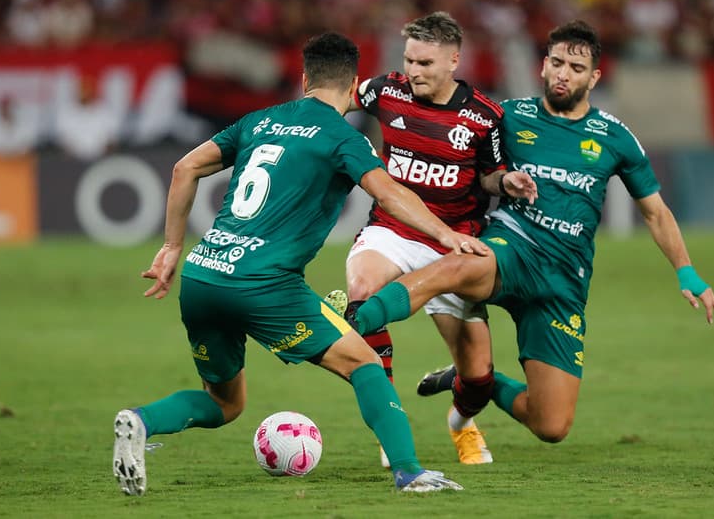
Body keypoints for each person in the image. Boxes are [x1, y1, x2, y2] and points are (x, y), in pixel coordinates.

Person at [111, 32, 489, 496]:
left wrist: (171, 247)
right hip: (265, 285)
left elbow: (184, 168)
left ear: (305, 78)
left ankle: (142, 421)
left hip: (203, 274)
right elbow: (389, 192)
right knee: (366, 364)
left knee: (225, 403)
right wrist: (446, 234)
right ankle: (409, 472)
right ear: (354, 88)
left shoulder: (259, 120)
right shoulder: (341, 138)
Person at [328, 20, 714, 448]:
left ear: (594, 77)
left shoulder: (615, 138)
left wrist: (687, 272)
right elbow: (477, 166)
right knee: (458, 264)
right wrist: (499, 181)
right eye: (555, 62)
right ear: (543, 67)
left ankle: (479, 382)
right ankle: (355, 316)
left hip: (563, 281)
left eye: (575, 66)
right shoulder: (509, 116)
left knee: (551, 425)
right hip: (511, 247)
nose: (562, 73)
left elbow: (656, 212)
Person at [340, 11, 508, 466]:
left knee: (479, 380)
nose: (413, 71)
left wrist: (507, 183)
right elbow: (335, 98)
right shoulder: (387, 90)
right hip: (392, 230)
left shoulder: (484, 116)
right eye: (410, 60)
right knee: (362, 292)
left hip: (452, 245)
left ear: (454, 60)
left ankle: (461, 423)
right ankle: (390, 422)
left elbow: (492, 176)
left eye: (426, 63)